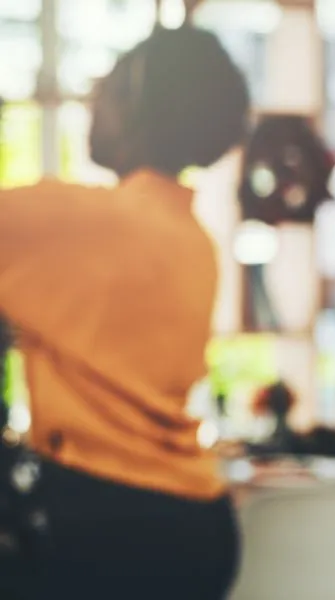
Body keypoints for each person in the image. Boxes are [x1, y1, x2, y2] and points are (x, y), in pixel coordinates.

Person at [0, 23, 248, 599]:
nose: (91, 104)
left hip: (97, 525)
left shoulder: (74, 222)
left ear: (137, 107)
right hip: (195, 525)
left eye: (104, 90)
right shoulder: (194, 241)